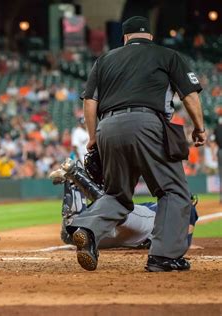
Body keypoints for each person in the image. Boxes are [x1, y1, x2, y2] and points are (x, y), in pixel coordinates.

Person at [67, 16, 206, 272]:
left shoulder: (105, 60)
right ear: (150, 36)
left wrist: (93, 138)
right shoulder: (167, 55)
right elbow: (190, 95)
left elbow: (89, 102)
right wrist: (199, 128)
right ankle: (163, 256)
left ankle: (87, 228)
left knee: (117, 195)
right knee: (174, 191)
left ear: (125, 37)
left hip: (107, 126)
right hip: (147, 123)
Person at [49, 162, 199, 250]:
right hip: (142, 228)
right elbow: (183, 242)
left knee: (71, 235)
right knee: (119, 210)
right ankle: (76, 173)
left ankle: (72, 183)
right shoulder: (184, 206)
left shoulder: (166, 203)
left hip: (127, 237)